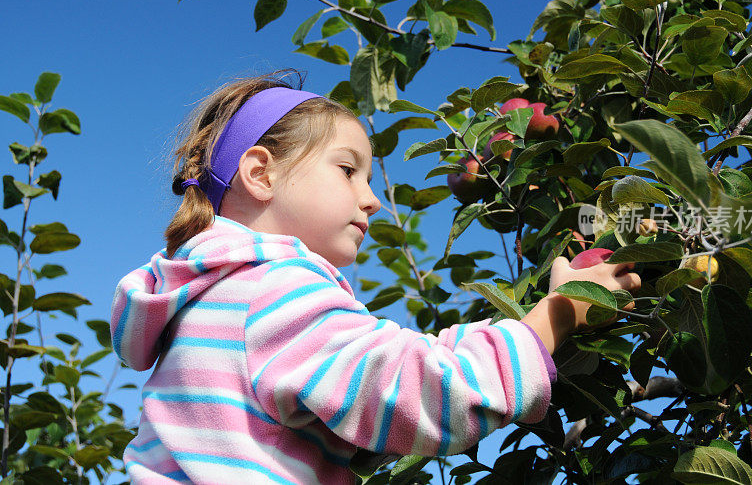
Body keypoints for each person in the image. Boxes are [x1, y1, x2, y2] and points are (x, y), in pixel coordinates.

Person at [110, 70, 641, 484]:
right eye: (348, 169)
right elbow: (426, 391)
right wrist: (558, 313)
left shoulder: (202, 298)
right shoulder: (274, 289)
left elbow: (351, 399)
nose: (372, 199)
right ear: (261, 173)